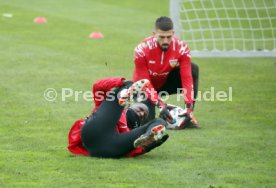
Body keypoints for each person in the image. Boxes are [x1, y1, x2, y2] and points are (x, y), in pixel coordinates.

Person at [67, 77, 171, 158]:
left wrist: (145, 148)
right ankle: (125, 90)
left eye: (144, 116)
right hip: (93, 133)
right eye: (141, 109)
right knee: (122, 89)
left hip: (109, 148)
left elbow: (127, 151)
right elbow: (98, 86)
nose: (142, 114)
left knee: (161, 121)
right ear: (130, 105)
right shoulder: (108, 108)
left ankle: (148, 135)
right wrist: (122, 82)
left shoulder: (129, 131)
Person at [132, 16, 199, 128]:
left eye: (169, 37)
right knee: (148, 125)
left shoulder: (182, 48)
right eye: (161, 37)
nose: (165, 41)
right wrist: (161, 105)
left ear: (173, 33)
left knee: (193, 69)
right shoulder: (141, 50)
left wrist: (189, 106)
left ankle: (188, 117)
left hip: (164, 83)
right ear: (154, 34)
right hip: (143, 87)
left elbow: (186, 78)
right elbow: (145, 82)